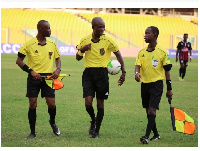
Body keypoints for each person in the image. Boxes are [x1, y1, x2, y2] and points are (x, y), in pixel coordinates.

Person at [76, 17, 126, 138]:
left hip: (102, 74)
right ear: (93, 27)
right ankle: (93, 120)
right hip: (88, 74)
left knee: (100, 104)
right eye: (99, 27)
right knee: (88, 103)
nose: (102, 29)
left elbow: (118, 54)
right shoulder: (85, 40)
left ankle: (96, 131)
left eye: (103, 27)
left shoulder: (108, 40)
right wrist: (82, 50)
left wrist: (123, 71)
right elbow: (77, 58)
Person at [16, 20, 61, 139]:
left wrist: (58, 69)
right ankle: (32, 132)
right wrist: (31, 71)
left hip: (48, 78)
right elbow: (19, 61)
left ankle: (52, 122)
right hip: (33, 78)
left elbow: (58, 58)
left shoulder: (52, 43)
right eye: (48, 28)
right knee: (32, 104)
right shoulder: (29, 44)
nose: (50, 30)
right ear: (41, 29)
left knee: (51, 104)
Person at [135, 26, 173, 144]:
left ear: (155, 35)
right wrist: (136, 73)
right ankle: (156, 134)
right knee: (148, 111)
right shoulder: (141, 52)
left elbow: (167, 71)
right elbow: (137, 65)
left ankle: (146, 136)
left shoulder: (163, 52)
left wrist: (169, 89)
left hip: (157, 84)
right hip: (144, 84)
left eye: (148, 33)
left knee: (152, 110)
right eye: (145, 33)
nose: (145, 35)